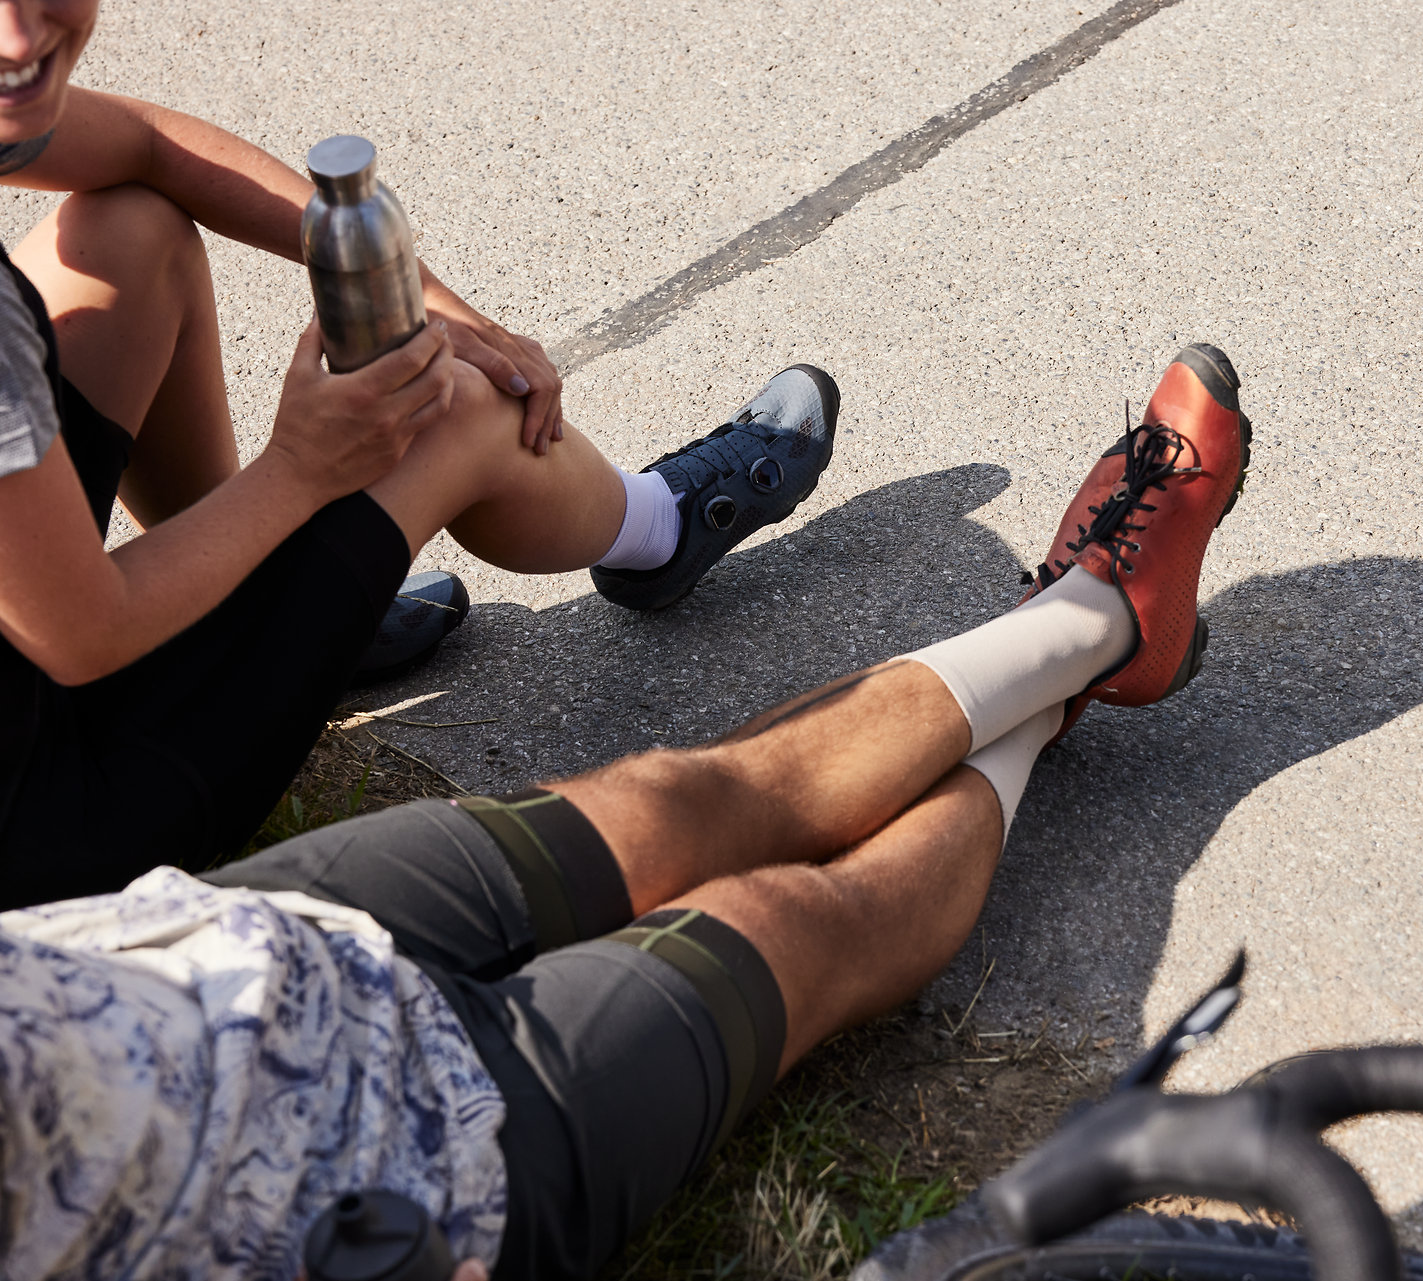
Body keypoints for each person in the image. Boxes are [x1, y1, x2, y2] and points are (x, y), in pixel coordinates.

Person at [0, 345, 1253, 1281]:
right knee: (800, 919)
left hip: (204, 947)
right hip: (367, 1183)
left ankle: (1084, 635)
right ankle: (1094, 620)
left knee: (685, 792)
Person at [0, 0, 839, 904]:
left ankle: (260, 603)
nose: (17, 36)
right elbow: (81, 634)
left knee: (132, 233)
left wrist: (437, 303)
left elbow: (149, 147)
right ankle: (660, 531)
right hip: (51, 824)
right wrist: (300, 471)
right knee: (459, 411)